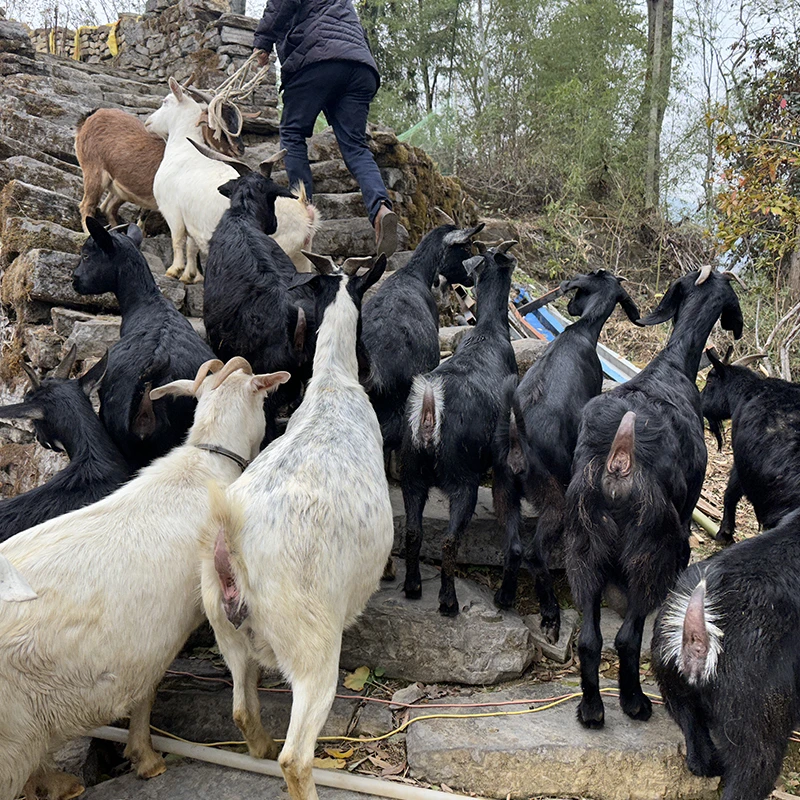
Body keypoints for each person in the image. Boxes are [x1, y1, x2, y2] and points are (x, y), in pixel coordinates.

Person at [253, 0, 399, 258]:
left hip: (316, 60)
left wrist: (263, 41)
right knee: (355, 146)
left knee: (292, 135)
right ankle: (380, 209)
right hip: (359, 65)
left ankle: (302, 213)